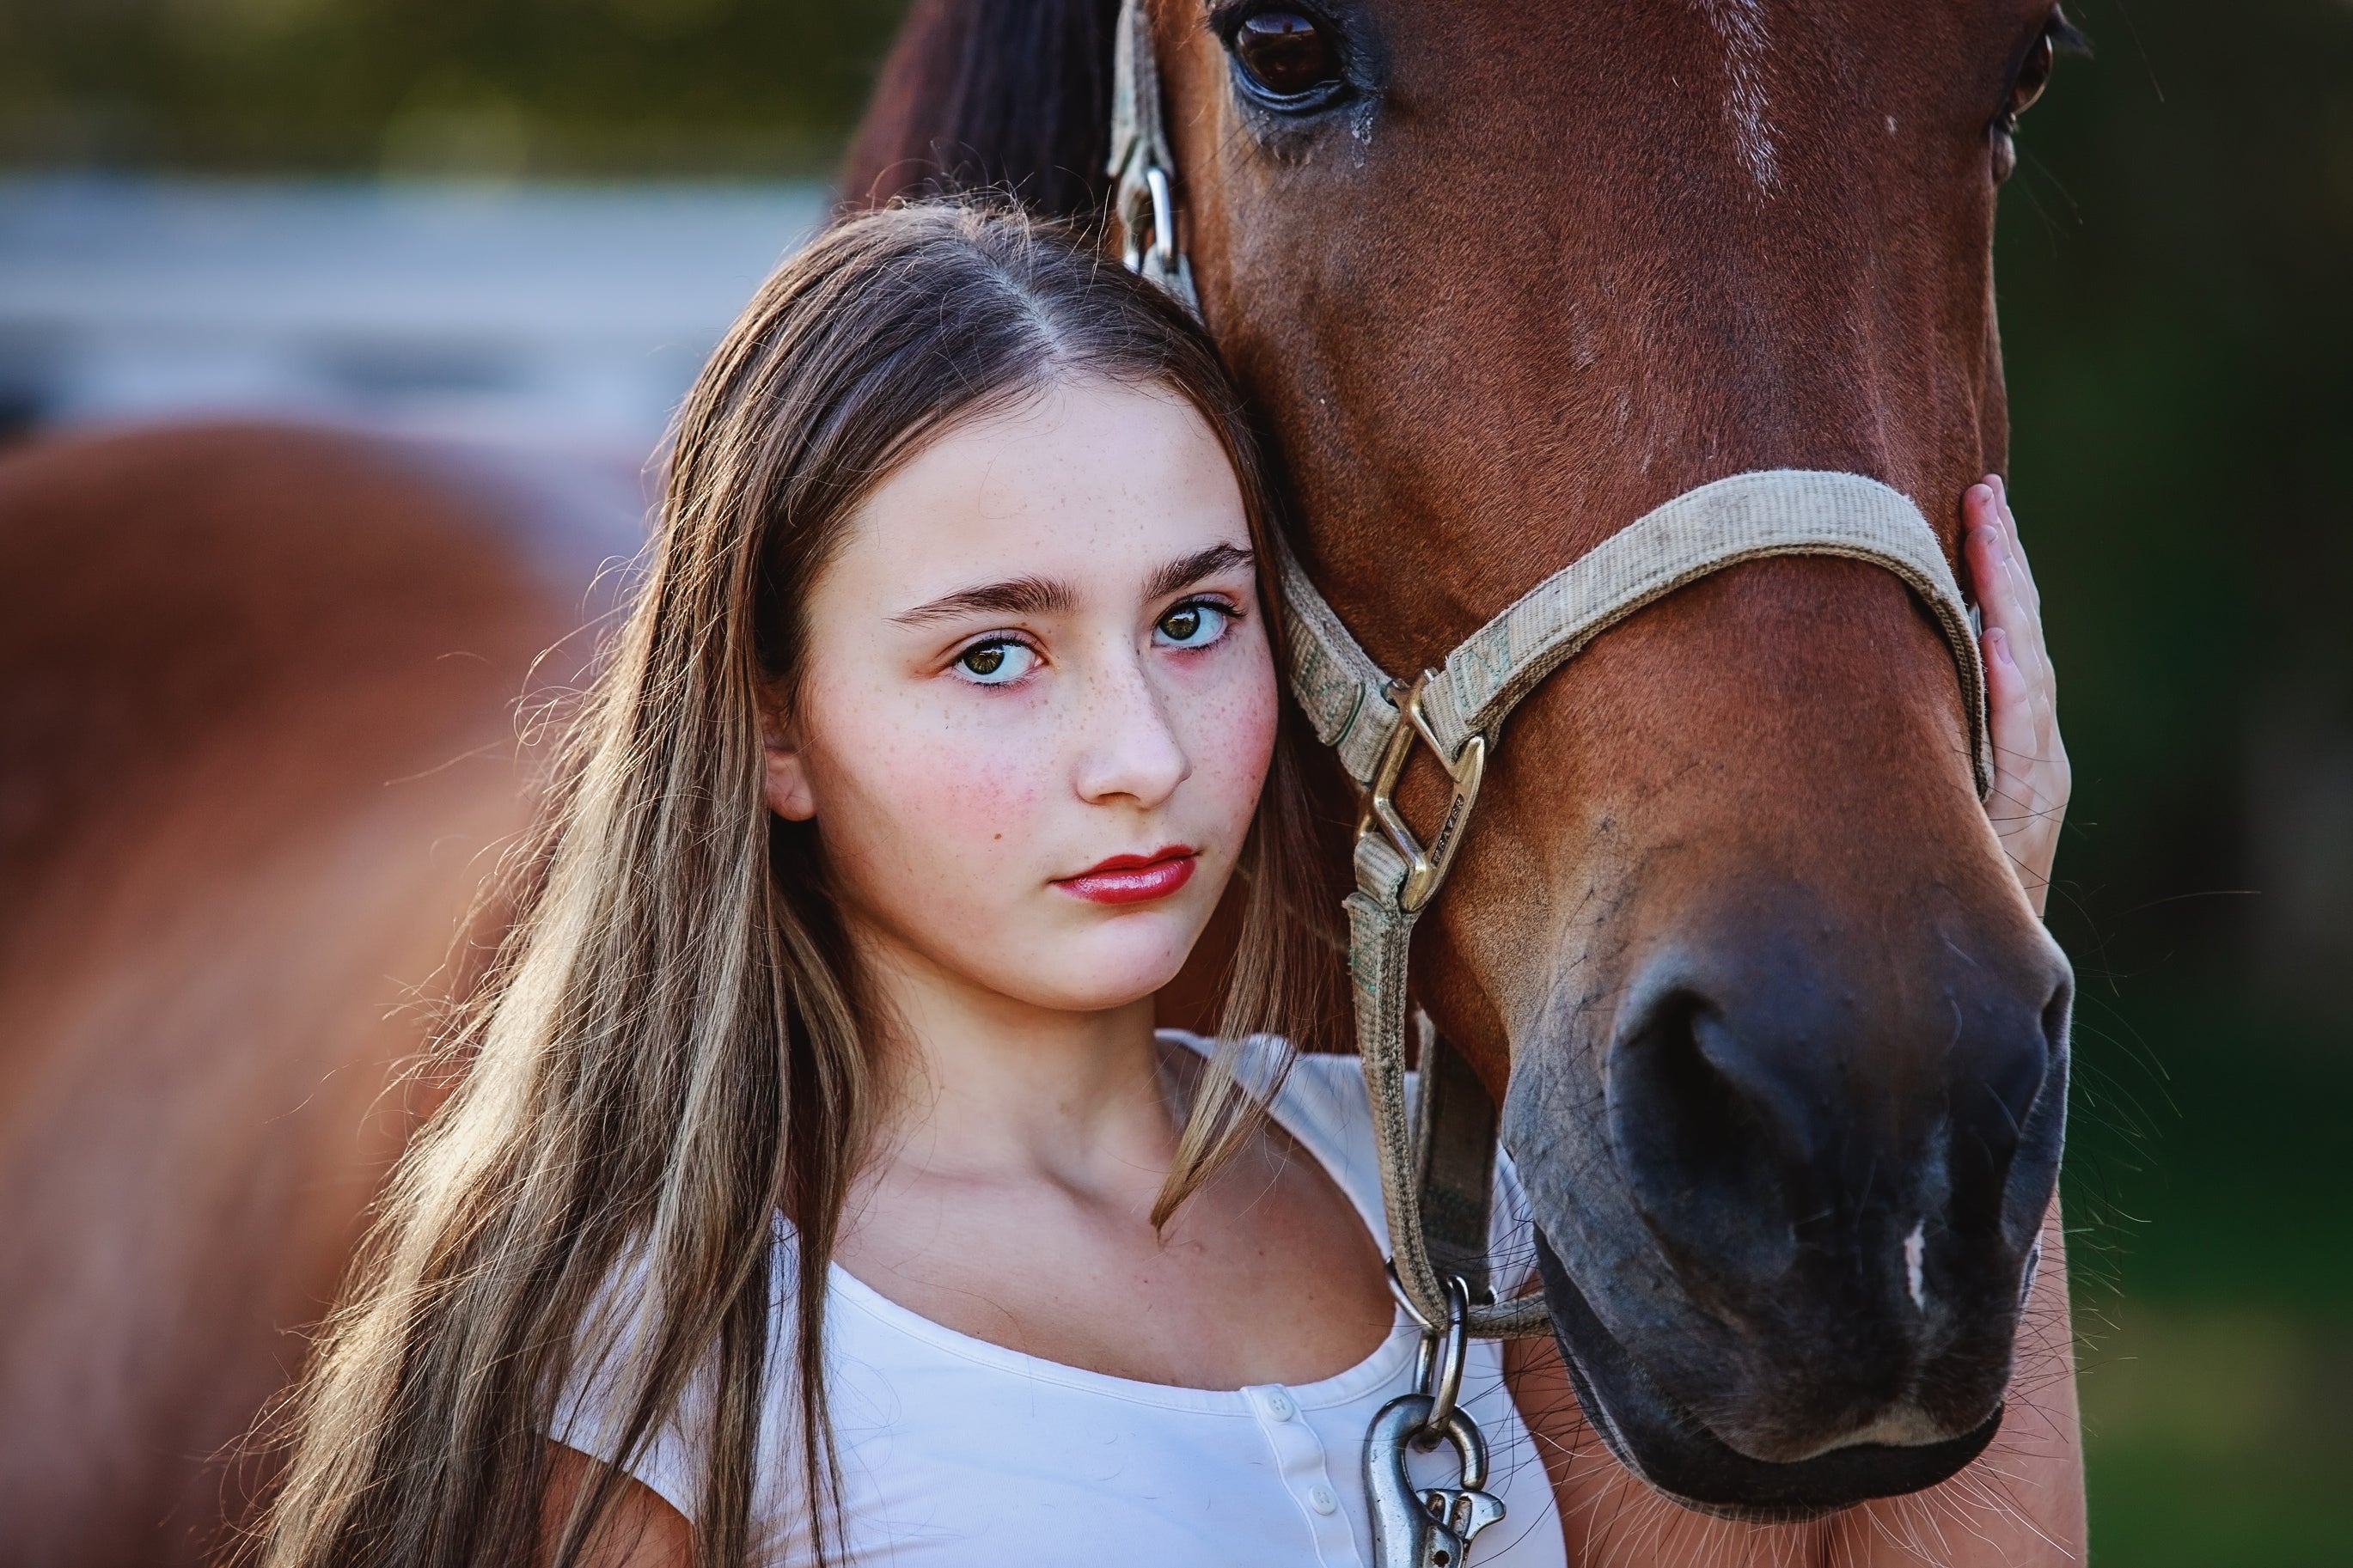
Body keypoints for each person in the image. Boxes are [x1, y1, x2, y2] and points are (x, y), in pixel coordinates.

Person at [252, 202, 2071, 1568]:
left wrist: (1992, 912)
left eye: (1194, 618)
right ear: (773, 727)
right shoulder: (660, 1367)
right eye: (993, 655)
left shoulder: (1438, 1199)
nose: (1139, 746)